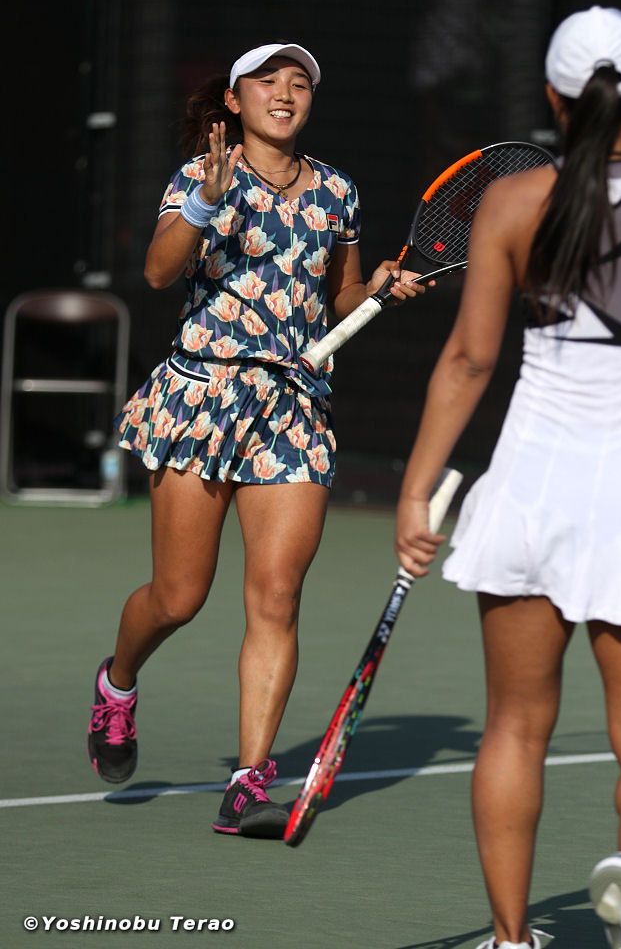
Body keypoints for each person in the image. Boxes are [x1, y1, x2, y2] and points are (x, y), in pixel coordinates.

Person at [87, 41, 428, 838]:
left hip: (293, 408)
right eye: (267, 80)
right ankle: (118, 682)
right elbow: (159, 272)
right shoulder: (199, 175)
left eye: (298, 81)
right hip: (202, 398)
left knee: (276, 596)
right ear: (234, 101)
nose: (285, 91)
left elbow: (340, 294)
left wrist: (377, 288)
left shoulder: (336, 190)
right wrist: (204, 205)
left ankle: (247, 781)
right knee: (178, 597)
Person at [395, 7, 621, 949]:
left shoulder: (511, 202)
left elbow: (468, 360)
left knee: (512, 727)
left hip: (529, 489)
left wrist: (414, 490)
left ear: (551, 97)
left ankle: (510, 941)